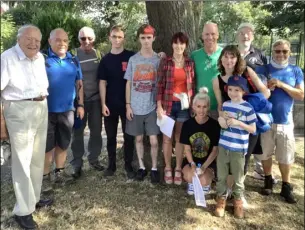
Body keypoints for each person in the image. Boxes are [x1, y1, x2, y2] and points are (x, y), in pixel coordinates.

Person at [1, 24, 53, 230]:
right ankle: (23, 211)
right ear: (18, 39)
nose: (33, 43)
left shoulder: (39, 58)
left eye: (37, 40)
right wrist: (1, 123)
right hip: (19, 109)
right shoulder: (7, 58)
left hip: (41, 106)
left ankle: (34, 199)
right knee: (22, 162)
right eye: (28, 38)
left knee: (36, 158)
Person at [212, 45, 270, 207]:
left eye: (232, 57)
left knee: (243, 160)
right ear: (221, 59)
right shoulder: (216, 80)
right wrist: (223, 115)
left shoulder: (247, 73)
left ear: (237, 59)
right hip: (229, 128)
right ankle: (228, 191)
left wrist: (249, 104)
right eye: (226, 57)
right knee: (228, 160)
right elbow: (220, 105)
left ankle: (238, 194)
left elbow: (266, 92)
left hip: (248, 126)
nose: (229, 60)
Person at [256, 39, 304, 204]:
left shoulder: (295, 70)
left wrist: (282, 84)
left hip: (285, 121)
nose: (281, 54)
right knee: (266, 153)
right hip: (266, 119)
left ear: (289, 52)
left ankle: (286, 186)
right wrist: (266, 88)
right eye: (277, 51)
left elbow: (300, 94)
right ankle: (268, 180)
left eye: (284, 51)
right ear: (272, 53)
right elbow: (257, 89)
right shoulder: (264, 69)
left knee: (286, 156)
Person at [43, 28, 84, 189]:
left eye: (65, 40)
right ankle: (45, 177)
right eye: (58, 40)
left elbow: (79, 84)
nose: (62, 43)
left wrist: (80, 105)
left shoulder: (73, 60)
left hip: (68, 110)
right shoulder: (42, 59)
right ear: (50, 41)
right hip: (46, 111)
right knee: (47, 146)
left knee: (63, 143)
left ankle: (59, 173)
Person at [214, 76, 257, 219]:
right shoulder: (226, 104)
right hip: (223, 146)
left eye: (237, 90)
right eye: (230, 89)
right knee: (221, 176)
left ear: (243, 91)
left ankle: (238, 201)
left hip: (238, 149)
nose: (233, 92)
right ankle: (221, 199)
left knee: (238, 178)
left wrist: (239, 123)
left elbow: (252, 129)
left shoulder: (248, 108)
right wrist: (223, 121)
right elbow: (224, 123)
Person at [156, 32, 195, 185]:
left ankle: (178, 167)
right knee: (167, 139)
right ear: (172, 44)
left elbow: (192, 86)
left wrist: (192, 104)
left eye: (182, 43)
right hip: (167, 105)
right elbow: (159, 85)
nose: (179, 46)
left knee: (180, 138)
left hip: (184, 107)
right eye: (176, 43)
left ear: (185, 45)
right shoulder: (165, 62)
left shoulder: (189, 63)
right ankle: (167, 168)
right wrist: (159, 106)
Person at [124, 24, 161, 183]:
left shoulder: (158, 59)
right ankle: (141, 167)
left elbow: (161, 82)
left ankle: (154, 168)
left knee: (153, 140)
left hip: (152, 106)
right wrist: (128, 104)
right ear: (139, 39)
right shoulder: (133, 59)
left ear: (153, 38)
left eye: (148, 38)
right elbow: (128, 83)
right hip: (135, 106)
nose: (146, 41)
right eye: (143, 38)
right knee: (138, 139)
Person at [98, 25, 136, 179]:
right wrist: (103, 104)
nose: (117, 40)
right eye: (114, 36)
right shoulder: (105, 60)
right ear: (110, 38)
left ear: (123, 38)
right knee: (111, 136)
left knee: (129, 137)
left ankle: (128, 165)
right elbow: (102, 83)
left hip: (128, 105)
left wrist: (159, 54)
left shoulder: (131, 57)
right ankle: (111, 165)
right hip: (110, 105)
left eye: (120, 37)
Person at [236, 22, 270, 181]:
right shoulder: (230, 53)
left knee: (253, 142)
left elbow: (266, 80)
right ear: (237, 35)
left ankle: (257, 170)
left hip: (254, 107)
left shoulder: (259, 54)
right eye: (242, 32)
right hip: (235, 105)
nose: (245, 35)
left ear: (253, 35)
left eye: (248, 33)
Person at [70, 26, 104, 179]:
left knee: (96, 131)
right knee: (77, 133)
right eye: (83, 38)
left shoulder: (99, 55)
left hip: (96, 100)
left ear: (94, 39)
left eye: (90, 38)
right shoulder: (73, 55)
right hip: (79, 102)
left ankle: (94, 159)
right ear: (79, 40)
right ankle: (77, 164)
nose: (87, 41)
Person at [180, 87, 220, 195]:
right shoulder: (187, 124)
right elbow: (187, 149)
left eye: (204, 107)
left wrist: (203, 167)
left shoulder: (215, 125)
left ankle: (205, 183)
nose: (201, 110)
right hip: (192, 160)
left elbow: (215, 150)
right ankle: (192, 182)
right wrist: (192, 164)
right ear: (193, 107)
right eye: (198, 106)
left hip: (208, 162)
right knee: (189, 176)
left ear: (208, 107)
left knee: (204, 180)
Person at [191, 22, 223, 119]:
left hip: (219, 107)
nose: (210, 37)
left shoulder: (225, 55)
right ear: (202, 36)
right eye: (207, 34)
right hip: (199, 108)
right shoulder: (194, 55)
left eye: (213, 34)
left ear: (217, 35)